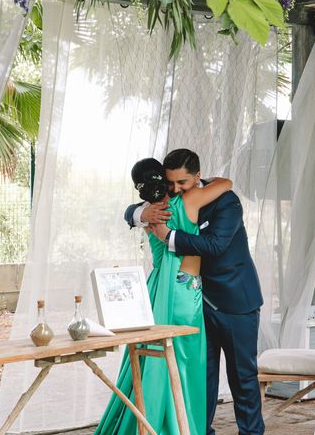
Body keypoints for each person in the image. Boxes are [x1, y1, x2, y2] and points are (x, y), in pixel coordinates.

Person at [125, 149, 265, 435]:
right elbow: (132, 210)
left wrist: (168, 235)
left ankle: (251, 432)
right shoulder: (169, 196)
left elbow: (215, 245)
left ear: (198, 177)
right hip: (196, 303)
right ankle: (201, 430)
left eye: (182, 184)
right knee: (201, 376)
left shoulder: (226, 201)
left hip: (235, 300)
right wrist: (140, 212)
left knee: (242, 377)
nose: (175, 190)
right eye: (170, 183)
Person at [96, 157, 232, 435]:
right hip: (184, 290)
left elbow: (132, 213)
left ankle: (149, 421)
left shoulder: (148, 212)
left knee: (151, 355)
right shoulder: (190, 199)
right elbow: (227, 183)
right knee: (185, 359)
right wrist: (196, 180)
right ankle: (179, 425)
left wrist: (139, 212)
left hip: (156, 288)